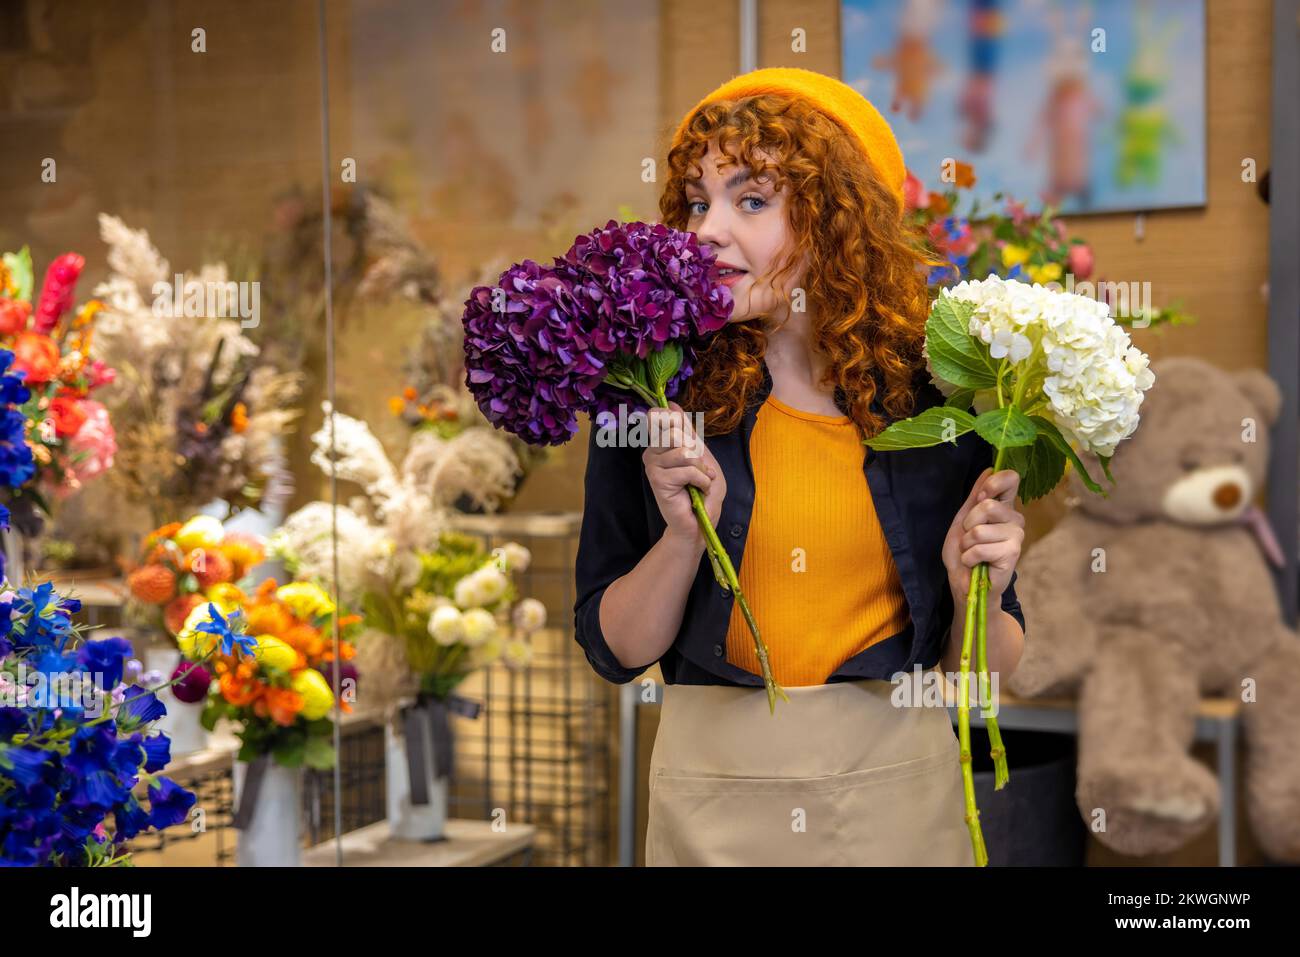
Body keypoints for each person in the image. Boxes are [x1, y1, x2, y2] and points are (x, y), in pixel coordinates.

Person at [573, 67, 1027, 866]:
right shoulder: (648, 392)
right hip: (712, 804)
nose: (708, 229)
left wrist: (971, 587)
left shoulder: (940, 402)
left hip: (899, 797)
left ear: (836, 219)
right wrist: (683, 540)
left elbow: (989, 678)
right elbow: (614, 650)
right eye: (695, 199)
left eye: (751, 200)